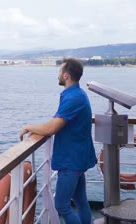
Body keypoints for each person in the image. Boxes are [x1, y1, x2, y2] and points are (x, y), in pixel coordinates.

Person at [19, 58, 97, 224]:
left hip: (72, 159)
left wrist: (29, 127)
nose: (58, 75)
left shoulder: (74, 98)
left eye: (60, 72)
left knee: (61, 205)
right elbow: (58, 121)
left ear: (66, 75)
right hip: (79, 156)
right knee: (81, 201)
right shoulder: (76, 94)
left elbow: (51, 128)